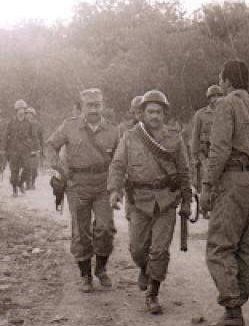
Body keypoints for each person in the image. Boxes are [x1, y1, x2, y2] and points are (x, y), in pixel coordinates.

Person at [199, 60, 249, 326]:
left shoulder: (225, 105)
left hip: (233, 180)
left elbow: (219, 150)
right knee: (246, 244)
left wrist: (206, 187)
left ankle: (232, 310)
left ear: (226, 80)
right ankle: (239, 298)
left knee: (219, 245)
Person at [108, 89, 191, 314]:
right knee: (137, 249)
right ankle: (145, 269)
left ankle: (153, 293)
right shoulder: (130, 136)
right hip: (139, 201)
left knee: (160, 250)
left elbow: (184, 171)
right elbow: (117, 165)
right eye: (150, 111)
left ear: (165, 114)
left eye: (159, 112)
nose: (154, 116)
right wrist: (114, 189)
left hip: (166, 201)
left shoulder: (174, 138)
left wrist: (187, 201)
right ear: (142, 113)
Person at [46, 88, 119, 292]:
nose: (94, 109)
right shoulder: (69, 126)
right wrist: (61, 168)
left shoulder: (113, 130)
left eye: (97, 105)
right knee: (81, 231)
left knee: (105, 228)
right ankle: (85, 274)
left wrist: (117, 185)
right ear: (82, 106)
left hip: (104, 184)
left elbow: (121, 159)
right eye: (89, 105)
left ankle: (101, 268)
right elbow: (50, 146)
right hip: (77, 184)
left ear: (102, 105)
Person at [191, 85, 224, 218]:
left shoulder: (225, 113)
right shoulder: (201, 114)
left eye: (218, 96)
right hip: (205, 152)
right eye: (212, 97)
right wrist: (194, 156)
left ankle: (214, 206)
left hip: (220, 151)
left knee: (219, 180)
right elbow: (195, 135)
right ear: (208, 98)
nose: (215, 99)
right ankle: (204, 206)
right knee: (206, 179)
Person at [6, 100, 37, 196]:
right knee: (14, 170)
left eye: (23, 109)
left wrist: (35, 148)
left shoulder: (29, 123)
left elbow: (34, 137)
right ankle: (14, 189)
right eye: (19, 109)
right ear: (16, 110)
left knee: (28, 168)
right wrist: (4, 149)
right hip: (14, 149)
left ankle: (21, 183)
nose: (21, 111)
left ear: (25, 110)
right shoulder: (11, 122)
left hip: (25, 149)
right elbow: (6, 135)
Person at [25, 107, 43, 190]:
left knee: (35, 168)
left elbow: (41, 138)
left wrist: (42, 150)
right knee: (27, 167)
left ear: (33, 115)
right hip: (26, 149)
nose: (29, 116)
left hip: (36, 149)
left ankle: (33, 183)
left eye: (30, 114)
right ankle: (27, 184)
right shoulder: (23, 125)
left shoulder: (38, 125)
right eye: (27, 114)